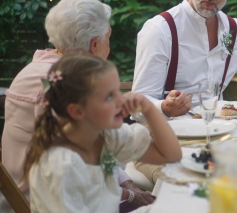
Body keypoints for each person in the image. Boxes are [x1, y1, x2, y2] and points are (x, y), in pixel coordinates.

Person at [1, 0, 154, 212]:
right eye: (108, 38)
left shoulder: (43, 71)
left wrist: (125, 182)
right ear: (94, 44)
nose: (108, 47)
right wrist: (130, 196)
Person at [24, 54, 181, 213]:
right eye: (109, 96)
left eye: (118, 91)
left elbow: (170, 155)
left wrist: (148, 108)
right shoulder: (60, 166)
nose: (121, 101)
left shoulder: (105, 136)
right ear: (77, 111)